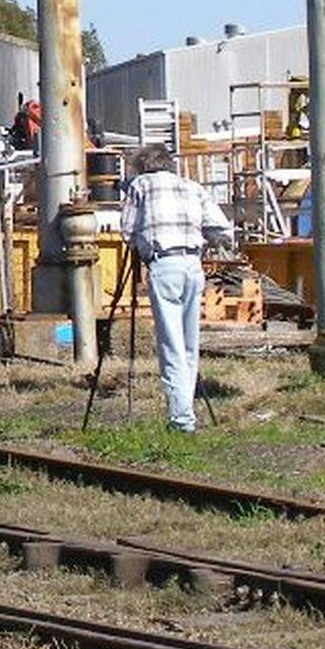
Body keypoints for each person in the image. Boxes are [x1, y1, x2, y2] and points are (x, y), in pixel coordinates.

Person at [121, 143, 234, 433]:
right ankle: (186, 412)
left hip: (164, 263)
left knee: (170, 344)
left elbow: (127, 231)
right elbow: (222, 228)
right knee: (188, 344)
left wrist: (144, 243)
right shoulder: (192, 186)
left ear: (144, 165)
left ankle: (182, 419)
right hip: (192, 265)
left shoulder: (140, 185)